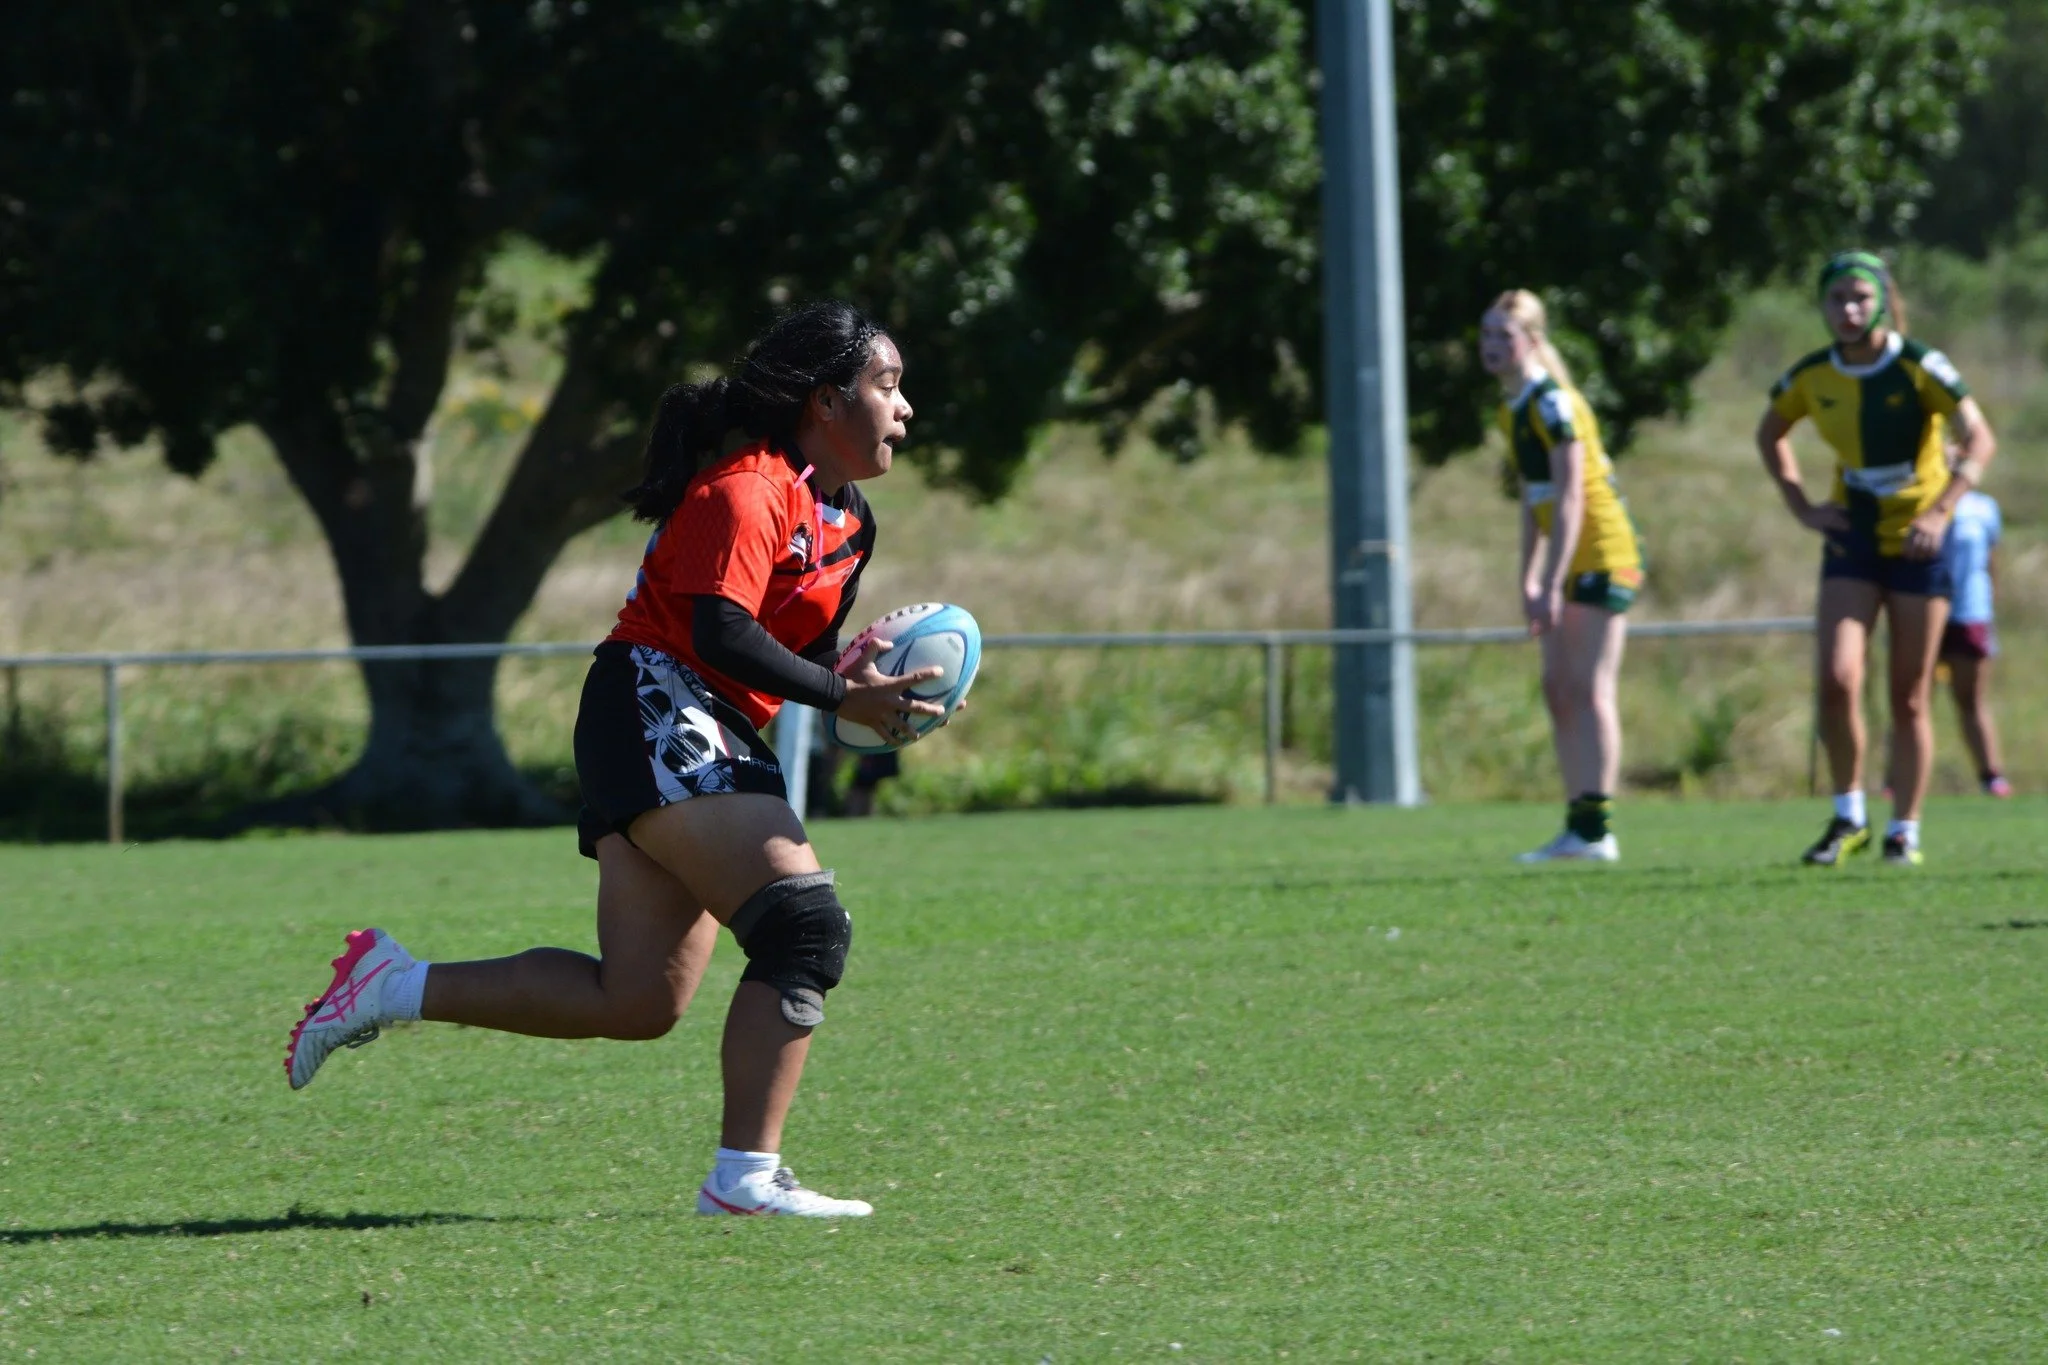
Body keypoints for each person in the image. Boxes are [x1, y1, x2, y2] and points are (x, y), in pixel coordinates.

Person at [281, 301, 945, 1217]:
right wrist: (840, 696)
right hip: (656, 700)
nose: (905, 407)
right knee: (804, 928)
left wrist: (859, 683)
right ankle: (746, 1179)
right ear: (826, 401)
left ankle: (391, 983)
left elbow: (797, 651)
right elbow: (720, 630)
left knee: (637, 999)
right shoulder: (746, 489)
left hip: (696, 722)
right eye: (888, 385)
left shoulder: (850, 521)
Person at [1757, 251, 1997, 867]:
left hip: (1918, 543)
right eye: (1837, 298)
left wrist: (1941, 511)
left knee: (1909, 695)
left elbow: (1979, 437)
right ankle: (1847, 817)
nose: (1849, 310)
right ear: (1822, 305)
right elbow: (1770, 433)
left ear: (1882, 301)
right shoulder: (1812, 376)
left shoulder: (1919, 365)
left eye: (1861, 298)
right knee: (1837, 680)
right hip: (1853, 538)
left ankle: (1905, 830)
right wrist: (1802, 506)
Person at [1480, 290, 1646, 863]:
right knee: (1559, 689)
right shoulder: (1513, 407)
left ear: (1532, 341)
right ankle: (1577, 825)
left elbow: (1573, 496)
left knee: (1591, 686)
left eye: (1505, 335)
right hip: (1564, 561)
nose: (1493, 346)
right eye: (1487, 335)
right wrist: (1527, 578)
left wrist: (1551, 583)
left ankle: (1598, 828)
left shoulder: (1556, 405)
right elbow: (1535, 496)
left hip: (1602, 553)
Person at [1939, 483, 2010, 796]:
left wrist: (1990, 602)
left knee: (1971, 698)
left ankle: (1991, 776)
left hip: (1970, 612)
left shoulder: (1983, 507)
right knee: (1910, 700)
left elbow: (1991, 560)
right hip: (1922, 609)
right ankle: (1895, 781)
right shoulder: (1918, 501)